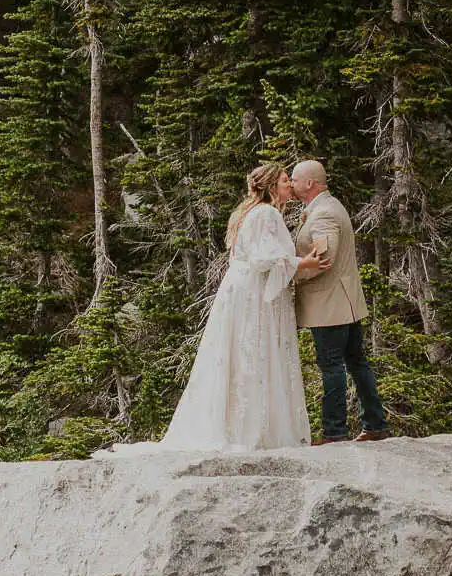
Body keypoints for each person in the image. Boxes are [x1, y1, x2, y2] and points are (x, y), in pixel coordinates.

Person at [103, 163, 327, 453]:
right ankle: (252, 429)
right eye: (285, 181)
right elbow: (263, 259)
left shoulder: (255, 212)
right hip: (254, 296)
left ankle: (248, 424)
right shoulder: (266, 213)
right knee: (253, 352)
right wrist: (304, 263)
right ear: (272, 186)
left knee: (245, 354)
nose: (289, 186)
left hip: (246, 291)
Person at [289, 159, 390, 444]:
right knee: (357, 362)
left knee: (331, 366)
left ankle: (335, 432)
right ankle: (375, 424)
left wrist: (291, 277)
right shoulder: (330, 207)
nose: (292, 183)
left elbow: (324, 259)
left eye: (295, 179)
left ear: (310, 183)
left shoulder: (323, 214)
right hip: (343, 301)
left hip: (329, 305)